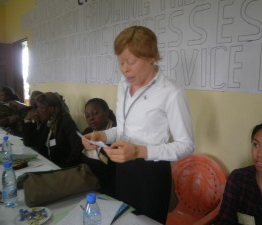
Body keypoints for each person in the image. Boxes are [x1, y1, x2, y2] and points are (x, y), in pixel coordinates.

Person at [82, 26, 195, 224]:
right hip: (124, 169)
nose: (125, 68)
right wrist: (103, 136)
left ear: (151, 57)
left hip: (151, 174)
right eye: (120, 62)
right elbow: (124, 130)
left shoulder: (170, 92)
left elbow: (186, 145)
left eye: (131, 62)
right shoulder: (123, 86)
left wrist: (138, 152)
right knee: (123, 220)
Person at [22, 92, 83, 168]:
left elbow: (77, 149)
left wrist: (63, 168)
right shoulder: (48, 121)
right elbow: (30, 142)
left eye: (41, 107)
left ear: (51, 109)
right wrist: (28, 121)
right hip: (46, 164)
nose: (37, 111)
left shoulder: (65, 122)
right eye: (37, 107)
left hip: (60, 168)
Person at [80, 98, 117, 197]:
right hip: (88, 184)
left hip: (109, 190)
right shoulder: (87, 132)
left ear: (107, 113)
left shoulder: (117, 136)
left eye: (95, 113)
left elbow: (115, 173)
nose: (90, 118)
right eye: (87, 116)